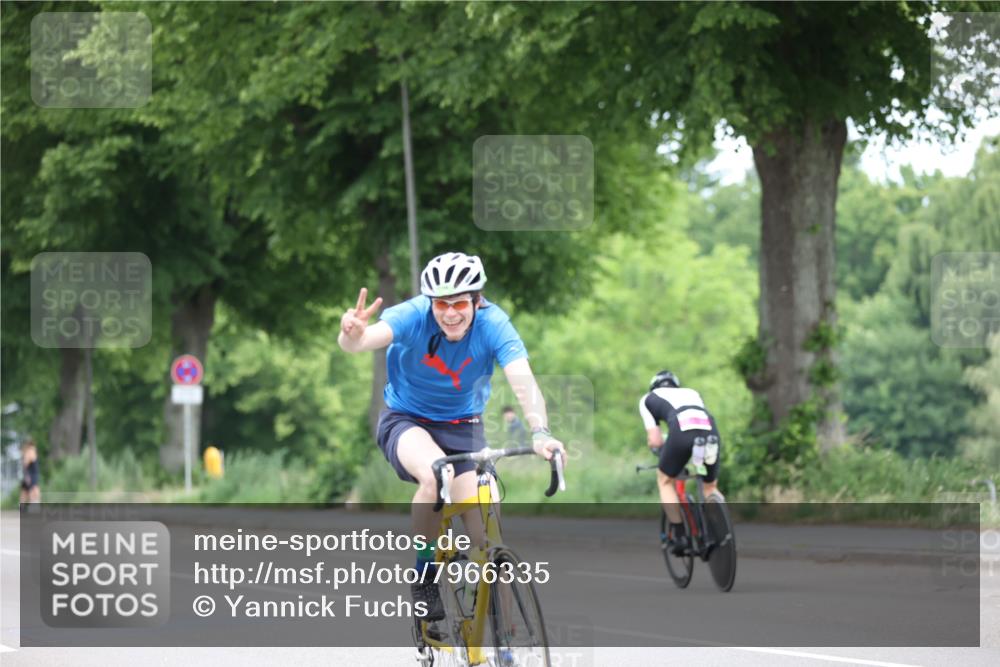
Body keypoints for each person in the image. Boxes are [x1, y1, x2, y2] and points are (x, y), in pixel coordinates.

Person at [338, 251, 566, 620]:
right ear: (431, 302)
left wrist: (541, 431)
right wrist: (352, 335)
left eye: (459, 302)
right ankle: (425, 572)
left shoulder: (494, 324)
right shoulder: (414, 314)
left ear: (477, 299)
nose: (450, 313)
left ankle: (505, 643)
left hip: (464, 426)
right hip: (407, 420)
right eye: (441, 303)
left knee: (488, 542)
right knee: (435, 474)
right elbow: (362, 342)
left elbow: (522, 379)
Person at [639, 370, 723, 556]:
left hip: (681, 430)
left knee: (664, 480)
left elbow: (655, 440)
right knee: (710, 486)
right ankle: (720, 528)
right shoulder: (691, 392)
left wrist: (661, 451)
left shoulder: (648, 398)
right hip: (710, 430)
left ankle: (679, 534)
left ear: (654, 386)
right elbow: (698, 421)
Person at [20, 439, 41, 507]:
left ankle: (23, 507)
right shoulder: (30, 452)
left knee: (25, 492)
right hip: (31, 475)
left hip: (31, 474)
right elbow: (25, 465)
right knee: (34, 491)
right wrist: (27, 475)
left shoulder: (29, 452)